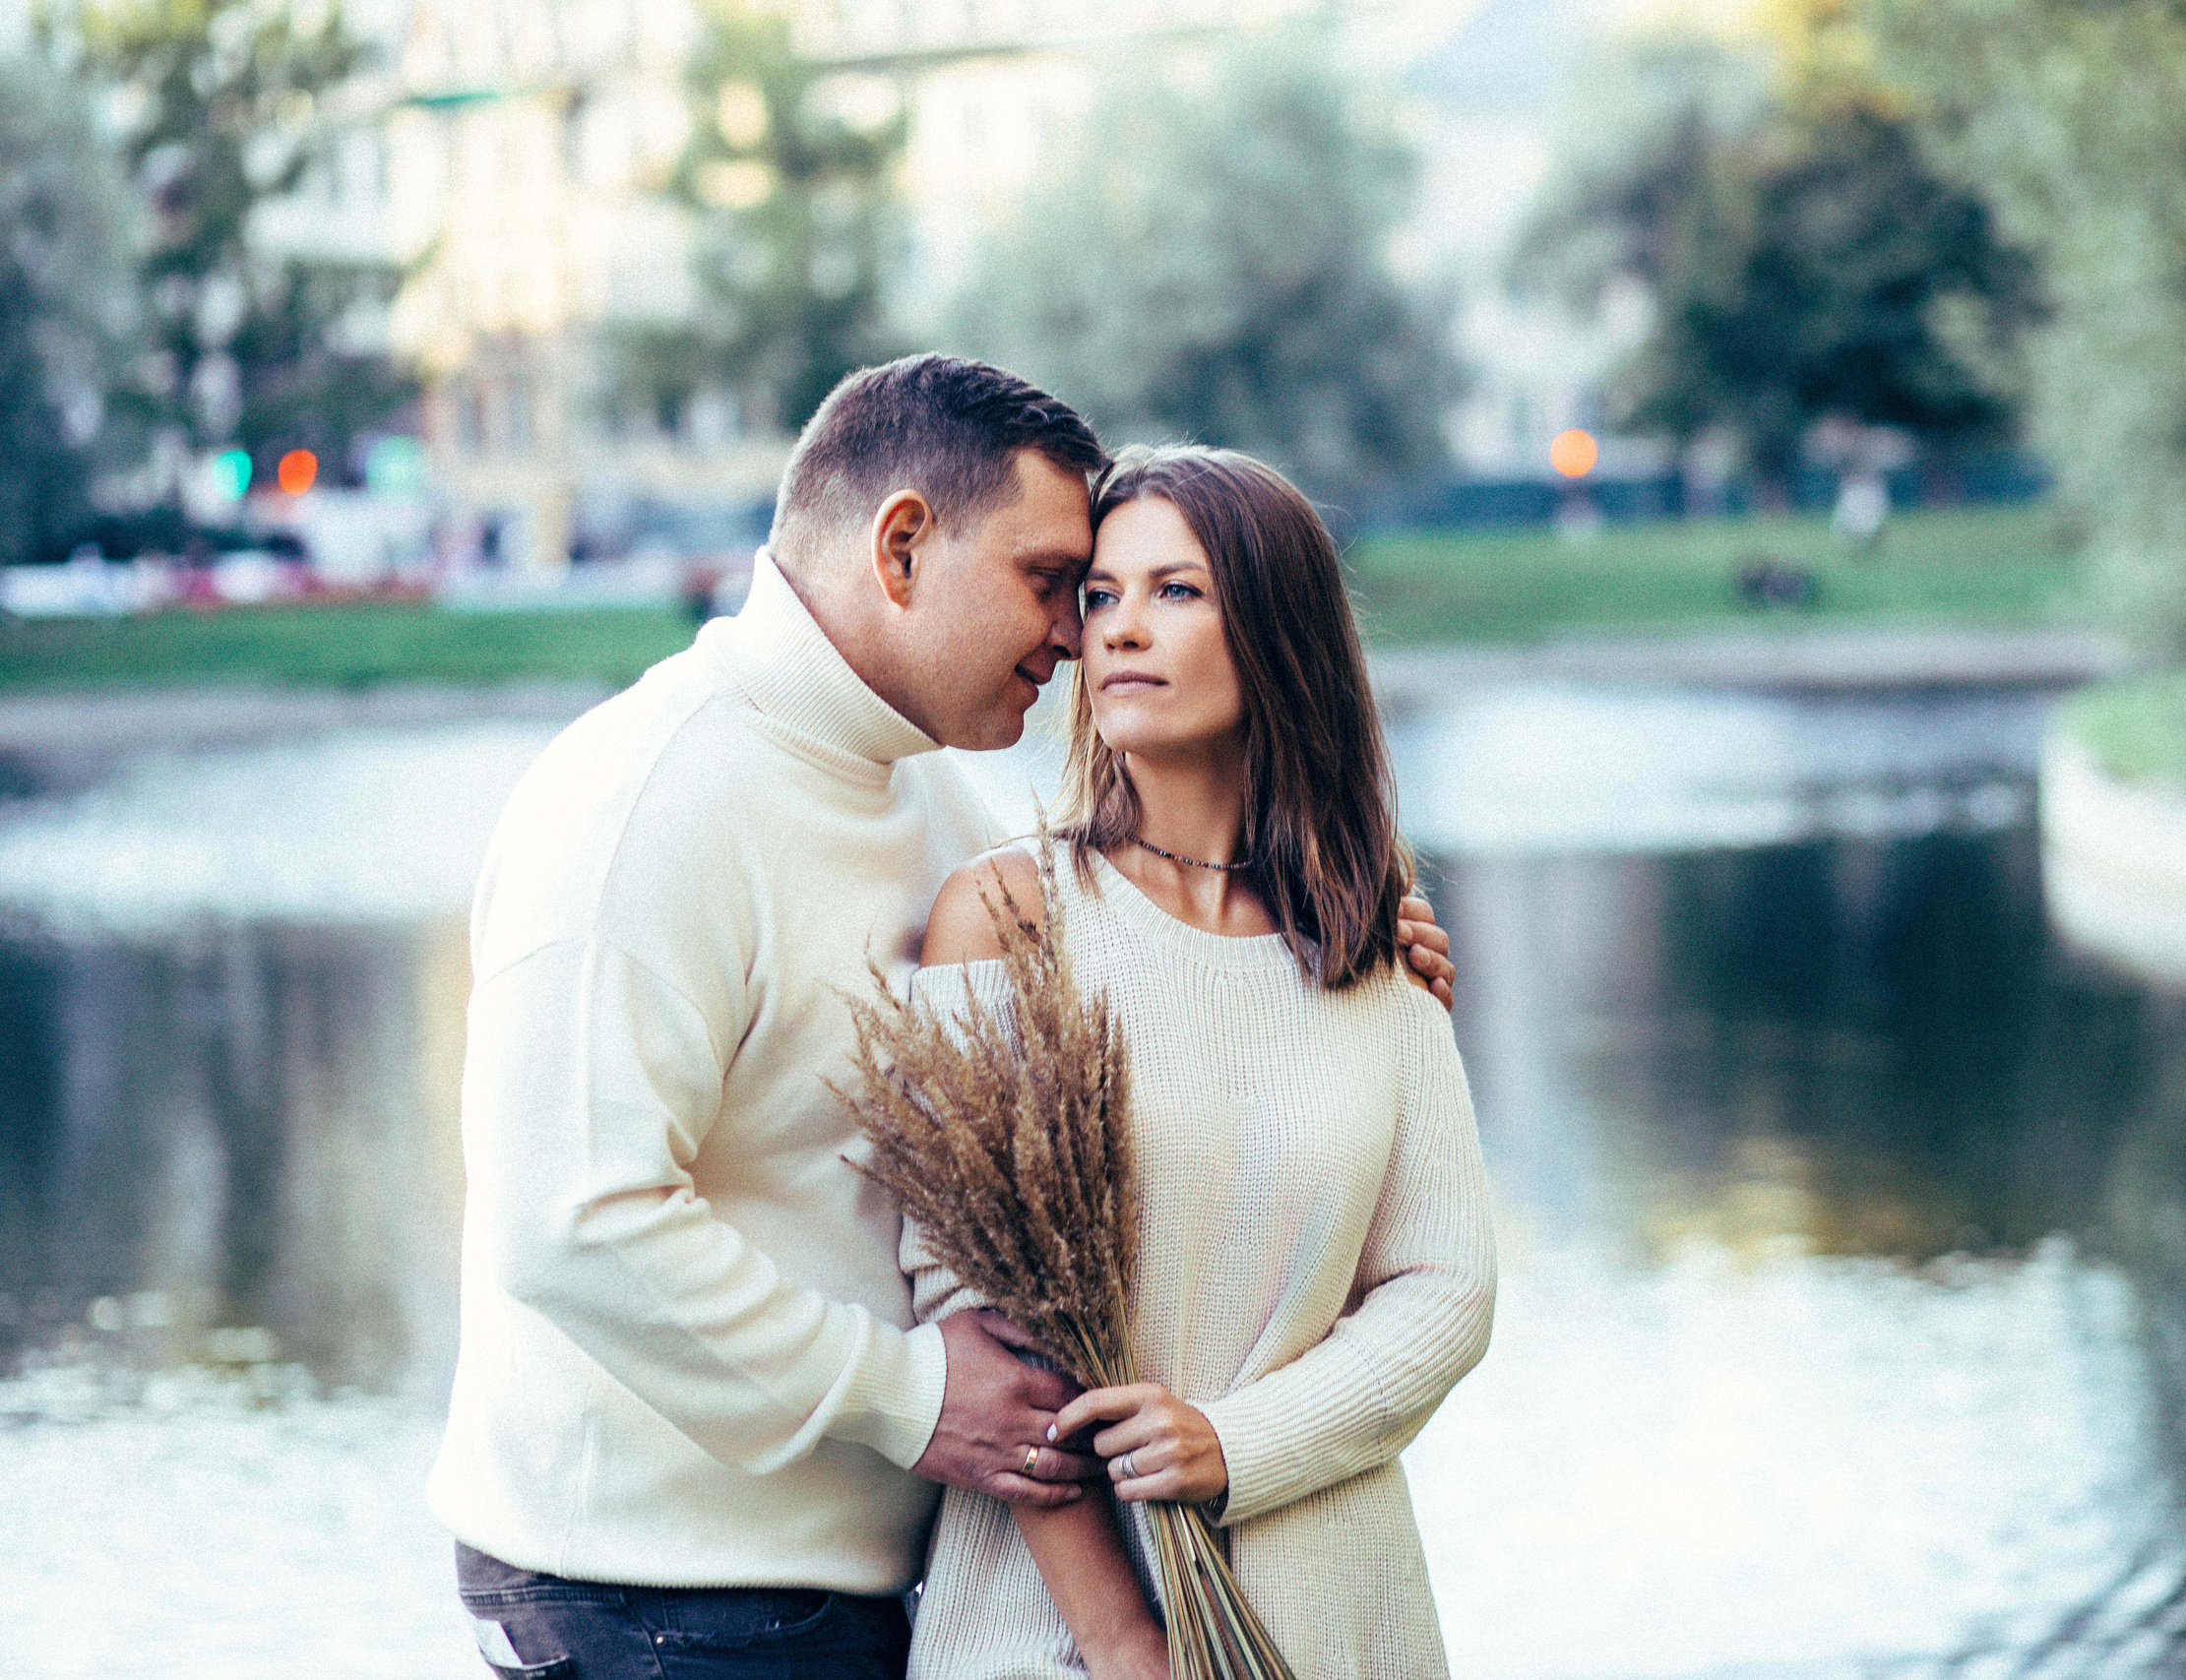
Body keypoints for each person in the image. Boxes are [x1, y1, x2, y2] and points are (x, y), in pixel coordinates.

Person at [430, 359, 1458, 1679]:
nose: (1082, 637)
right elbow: (566, 1217)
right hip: (657, 1598)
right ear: (902, 543)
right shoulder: (644, 803)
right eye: (1055, 583)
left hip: (850, 1592)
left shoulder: (930, 807)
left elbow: (1133, 1040)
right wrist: (912, 1395)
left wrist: (1365, 978)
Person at [905, 445, 1499, 1680]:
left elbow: (1444, 1289)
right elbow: (977, 1326)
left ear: (1278, 633)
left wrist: (1232, 1444)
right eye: (1102, 596)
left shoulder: (1369, 934)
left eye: (1176, 592)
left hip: (1335, 1609)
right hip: (1064, 1634)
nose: (1119, 631)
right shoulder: (1006, 918)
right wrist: (1125, 1643)